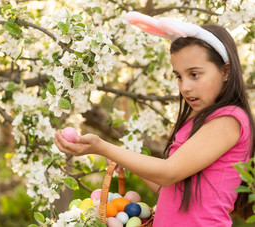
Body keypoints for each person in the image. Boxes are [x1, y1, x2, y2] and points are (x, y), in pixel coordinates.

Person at [54, 11, 254, 226]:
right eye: (179, 76)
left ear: (225, 71)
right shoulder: (195, 122)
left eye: (194, 74)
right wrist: (125, 160)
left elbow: (168, 173)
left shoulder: (228, 120)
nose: (185, 87)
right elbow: (169, 189)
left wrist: (103, 148)